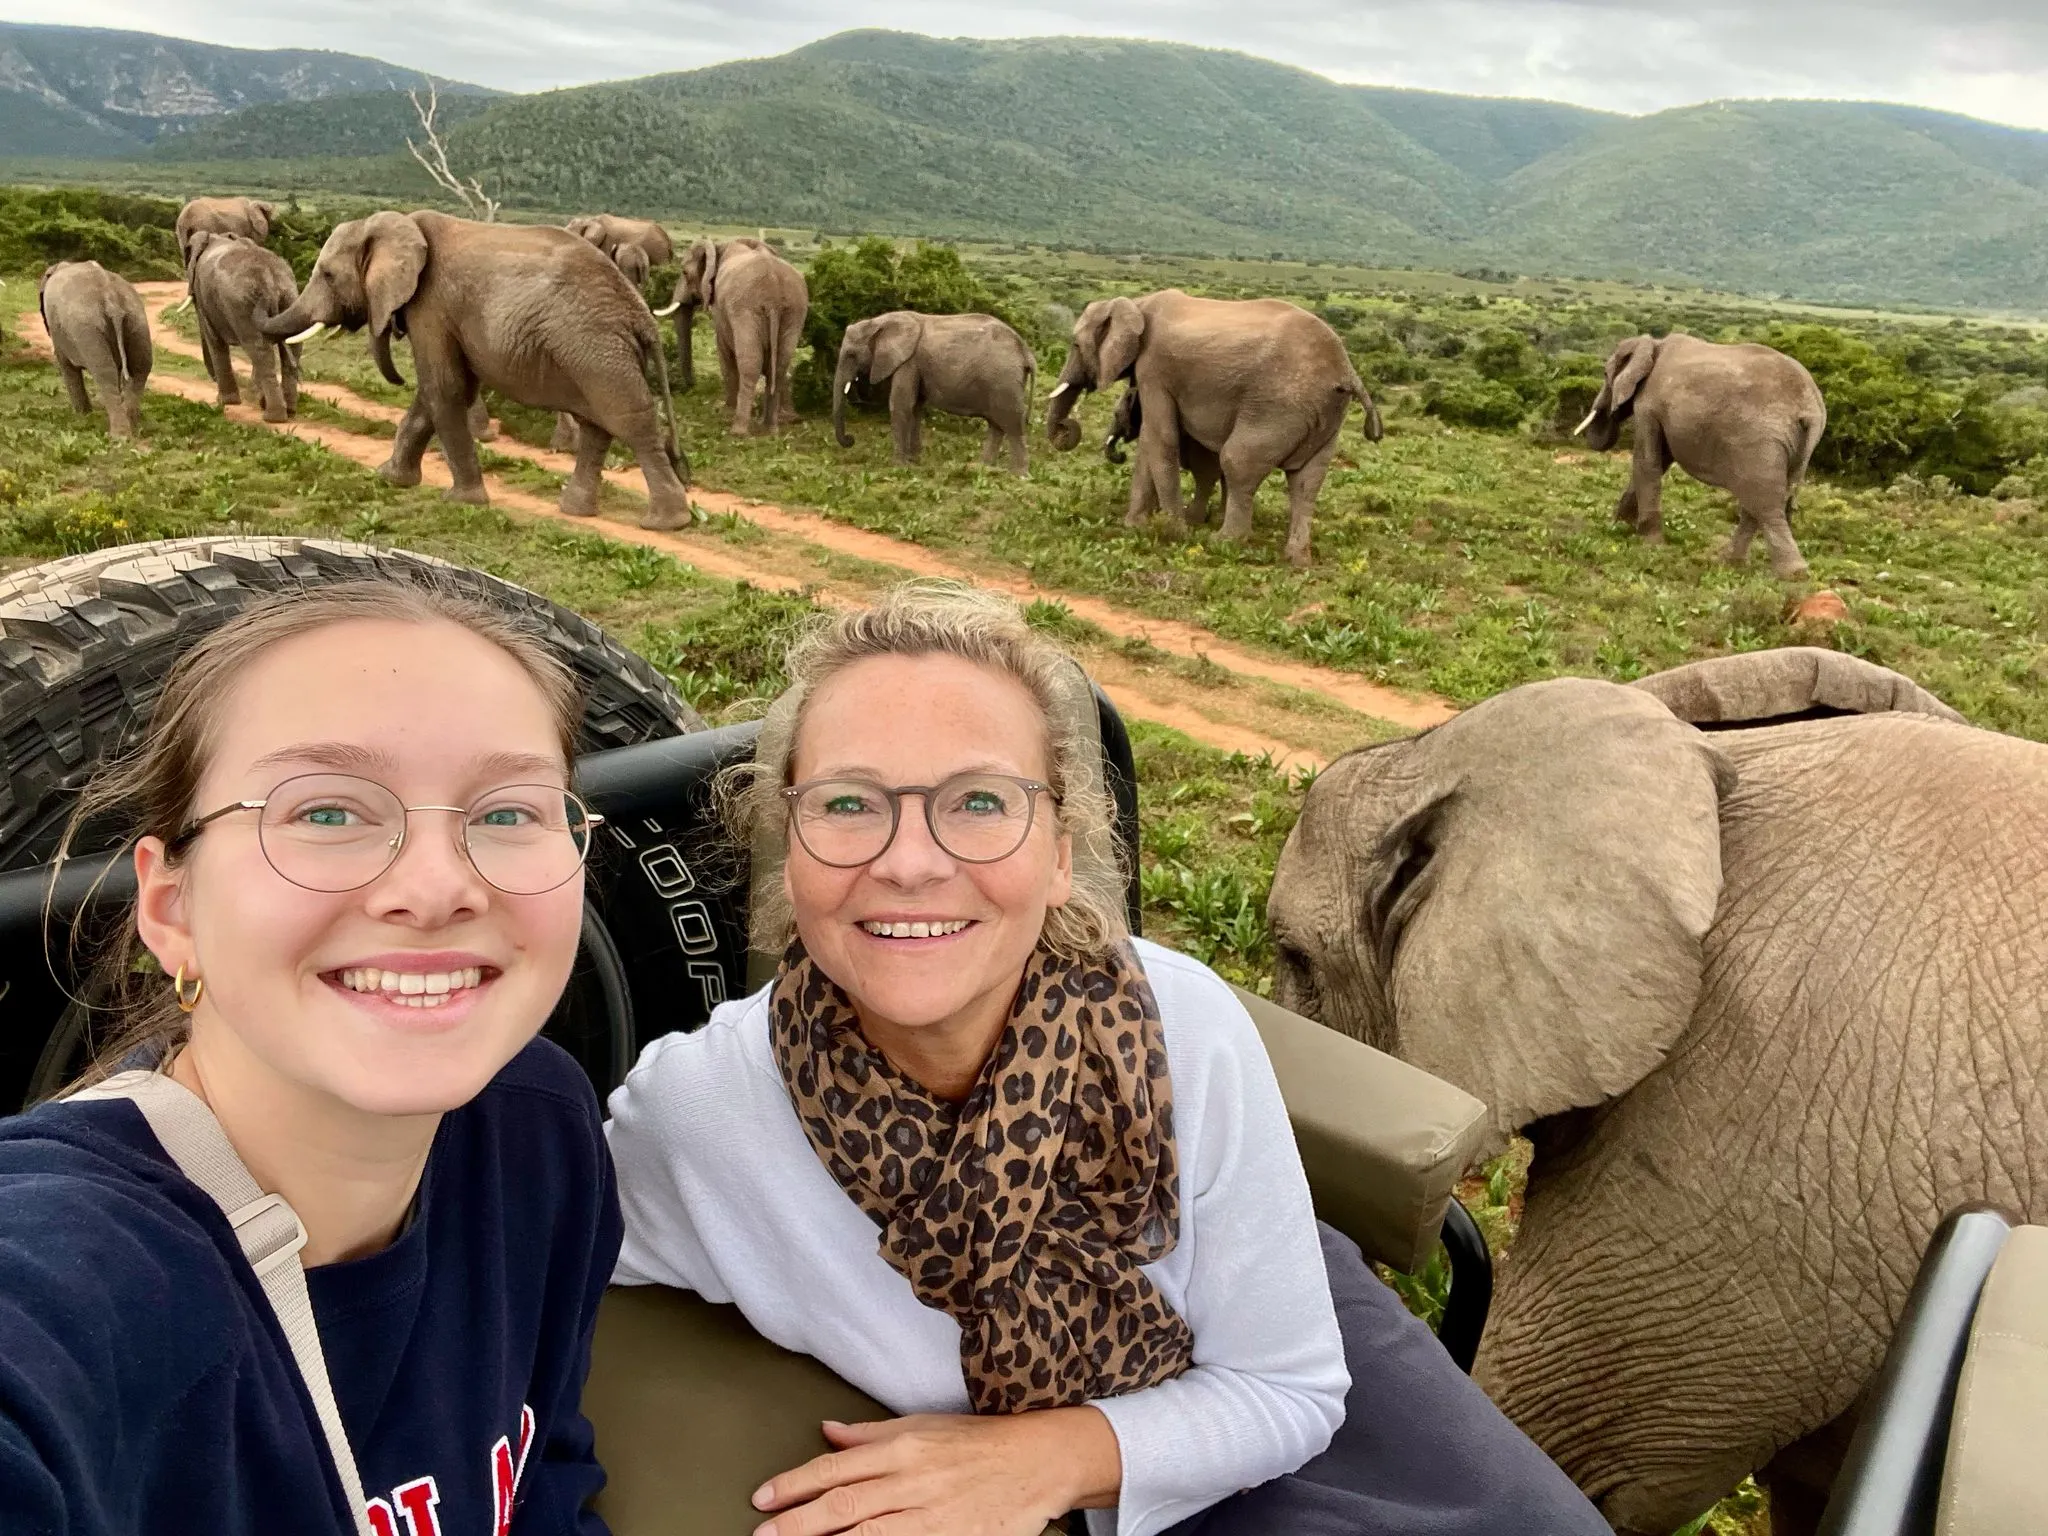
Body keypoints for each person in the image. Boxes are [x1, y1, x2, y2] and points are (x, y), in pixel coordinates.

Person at [605, 583, 1607, 1536]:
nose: (908, 861)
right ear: (789, 845)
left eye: (981, 803)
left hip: (1259, 1347)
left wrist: (1034, 1460)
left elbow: (1288, 1389)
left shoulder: (1178, 1023)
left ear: (1056, 852)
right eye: (848, 804)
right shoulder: (702, 1116)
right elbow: (521, 1233)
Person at [0, 582, 622, 1534]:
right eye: (327, 813)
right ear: (171, 910)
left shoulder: (537, 1126)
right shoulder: (74, 1271)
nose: (437, 887)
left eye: (507, 812)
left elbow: (549, 1484)